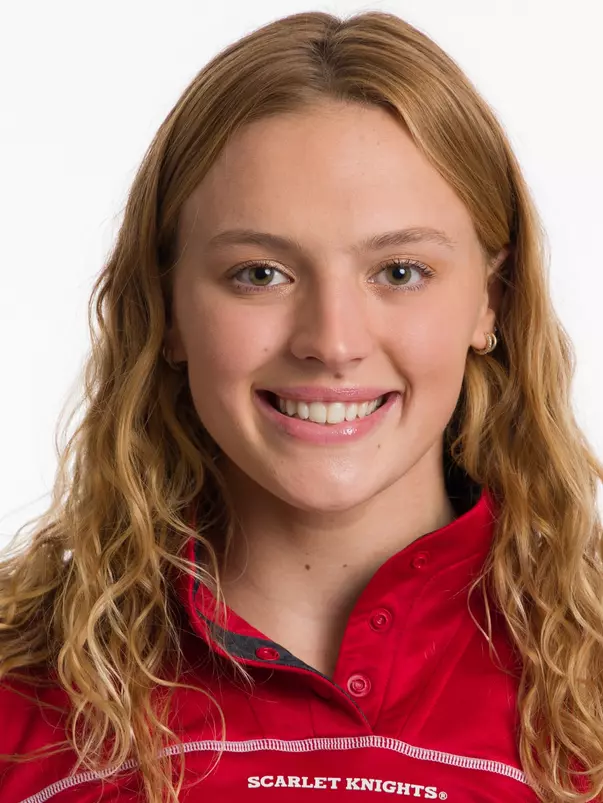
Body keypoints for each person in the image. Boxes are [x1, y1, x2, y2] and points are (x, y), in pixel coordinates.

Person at [1, 9, 602, 803]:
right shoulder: (19, 699)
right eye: (259, 273)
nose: (332, 341)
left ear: (492, 300)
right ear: (167, 308)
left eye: (398, 271)